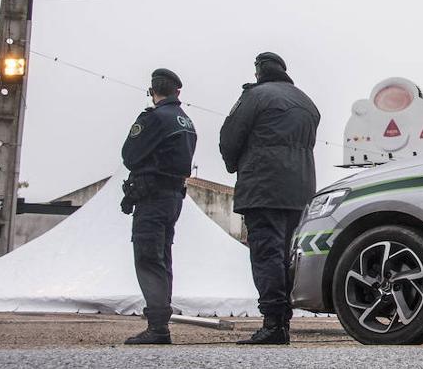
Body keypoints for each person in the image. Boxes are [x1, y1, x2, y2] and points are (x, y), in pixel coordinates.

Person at [220, 52, 321, 345]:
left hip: (263, 187)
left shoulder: (254, 97)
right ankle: (283, 321)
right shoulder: (307, 102)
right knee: (288, 256)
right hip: (300, 189)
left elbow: (229, 137)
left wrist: (234, 165)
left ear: (259, 71)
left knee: (266, 253)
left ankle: (273, 323)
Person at [120, 68, 198, 346]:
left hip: (152, 197)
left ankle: (157, 326)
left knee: (148, 258)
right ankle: (159, 321)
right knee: (163, 259)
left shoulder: (154, 118)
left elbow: (129, 155)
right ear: (177, 91)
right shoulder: (186, 121)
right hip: (173, 197)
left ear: (154, 91)